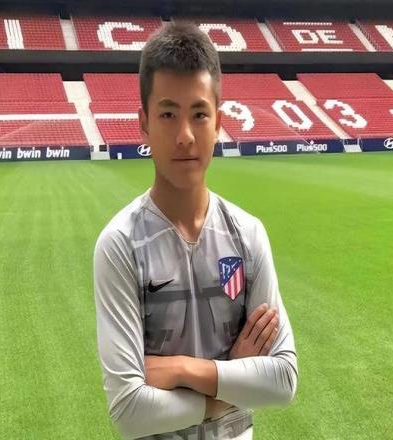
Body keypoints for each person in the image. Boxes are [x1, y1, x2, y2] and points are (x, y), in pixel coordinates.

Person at [94, 22, 298, 440]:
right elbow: (129, 412)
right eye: (168, 114)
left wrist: (183, 370)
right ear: (144, 123)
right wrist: (232, 380)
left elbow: (282, 379)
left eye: (199, 114)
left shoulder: (247, 234)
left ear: (218, 122)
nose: (185, 135)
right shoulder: (120, 244)